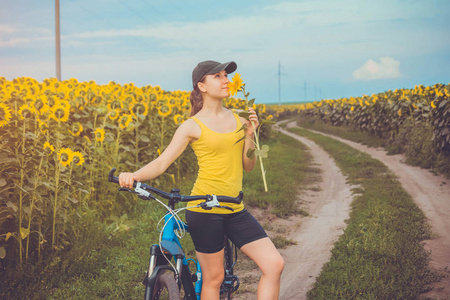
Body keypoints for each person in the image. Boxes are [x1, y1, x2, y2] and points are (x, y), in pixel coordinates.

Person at [119, 60, 285, 299]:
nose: (226, 80)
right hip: (204, 209)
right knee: (214, 279)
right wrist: (133, 176)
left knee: (274, 264)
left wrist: (251, 135)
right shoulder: (192, 125)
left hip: (234, 207)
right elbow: (161, 163)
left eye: (226, 75)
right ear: (202, 86)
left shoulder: (239, 121)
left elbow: (248, 167)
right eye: (217, 76)